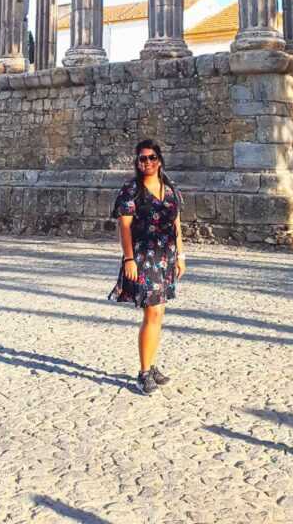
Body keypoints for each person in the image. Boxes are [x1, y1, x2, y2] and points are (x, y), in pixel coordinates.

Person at [108, 138, 186, 395]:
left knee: (158, 313)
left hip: (166, 256)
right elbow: (125, 226)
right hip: (144, 257)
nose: (148, 162)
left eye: (152, 158)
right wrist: (128, 259)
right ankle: (143, 373)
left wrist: (182, 256)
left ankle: (150, 365)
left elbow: (176, 223)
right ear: (137, 162)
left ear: (160, 160)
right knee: (152, 313)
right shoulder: (131, 190)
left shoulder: (170, 188)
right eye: (142, 159)